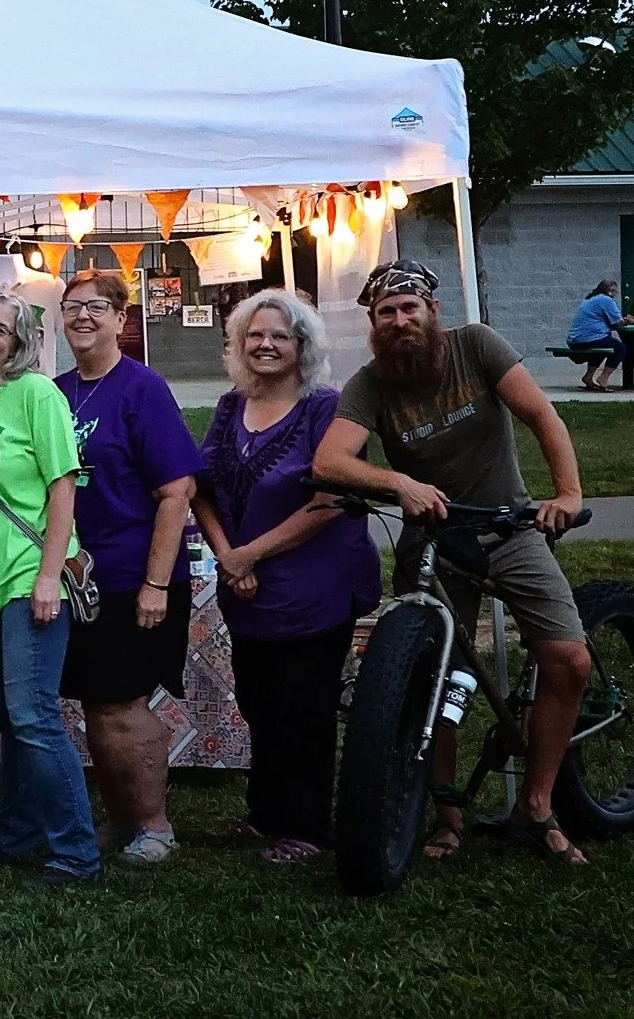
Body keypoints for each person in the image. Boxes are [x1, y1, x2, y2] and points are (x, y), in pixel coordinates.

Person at [312, 258, 594, 867]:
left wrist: (566, 494)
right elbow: (330, 463)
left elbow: (541, 414)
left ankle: (538, 805)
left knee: (568, 657)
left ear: (433, 311)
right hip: (434, 537)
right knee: (432, 674)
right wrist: (396, 482)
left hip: (507, 524)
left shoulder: (477, 346)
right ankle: (448, 817)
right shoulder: (370, 383)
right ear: (373, 323)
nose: (398, 320)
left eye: (409, 308)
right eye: (386, 312)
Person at [191, 291, 379, 863]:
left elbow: (330, 500)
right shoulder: (230, 407)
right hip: (245, 586)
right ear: (239, 344)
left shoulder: (327, 409)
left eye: (281, 336)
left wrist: (252, 555)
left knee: (305, 708)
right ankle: (266, 813)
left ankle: (307, 826)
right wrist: (230, 556)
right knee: (259, 701)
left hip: (314, 587)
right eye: (256, 335)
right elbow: (201, 487)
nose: (267, 344)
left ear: (303, 347)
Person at [0, 290, 98, 888]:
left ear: (19, 346)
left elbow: (64, 487)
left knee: (34, 715)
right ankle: (13, 830)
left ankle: (74, 854)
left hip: (30, 575)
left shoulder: (37, 395)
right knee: (8, 715)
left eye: (1, 331)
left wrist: (48, 576)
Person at [53, 269, 202, 865]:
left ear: (121, 318)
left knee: (121, 703)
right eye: (71, 307)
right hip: (74, 578)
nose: (82, 317)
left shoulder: (142, 388)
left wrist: (156, 583)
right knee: (94, 701)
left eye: (96, 307)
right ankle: (119, 819)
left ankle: (155, 825)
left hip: (132, 575)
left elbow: (177, 490)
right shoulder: (55, 392)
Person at [565, 280, 625, 392]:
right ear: (608, 291)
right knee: (620, 347)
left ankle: (588, 377)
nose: (614, 293)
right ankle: (603, 378)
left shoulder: (591, 299)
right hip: (586, 338)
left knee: (601, 347)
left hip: (576, 339)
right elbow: (618, 322)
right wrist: (631, 321)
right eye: (613, 291)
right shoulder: (605, 299)